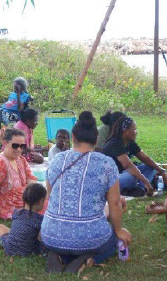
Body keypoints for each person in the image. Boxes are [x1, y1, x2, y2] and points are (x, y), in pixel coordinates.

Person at [41, 111, 132, 273]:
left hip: (50, 235)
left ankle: (58, 254)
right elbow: (115, 203)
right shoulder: (106, 163)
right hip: (89, 238)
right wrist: (118, 231)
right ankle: (87, 259)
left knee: (66, 239)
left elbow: (51, 196)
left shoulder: (57, 160)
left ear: (73, 138)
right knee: (110, 242)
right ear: (96, 140)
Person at [101, 116, 167, 197]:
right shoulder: (115, 143)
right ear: (126, 131)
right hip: (109, 180)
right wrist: (146, 181)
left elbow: (146, 159)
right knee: (132, 176)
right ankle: (132, 188)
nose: (136, 132)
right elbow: (128, 166)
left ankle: (140, 189)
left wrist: (161, 171)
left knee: (150, 167)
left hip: (121, 174)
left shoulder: (129, 142)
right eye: (134, 129)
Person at [0, 183, 47, 256]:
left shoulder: (16, 212)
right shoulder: (40, 219)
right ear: (41, 201)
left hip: (9, 249)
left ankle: (14, 237)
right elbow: (41, 236)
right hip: (28, 252)